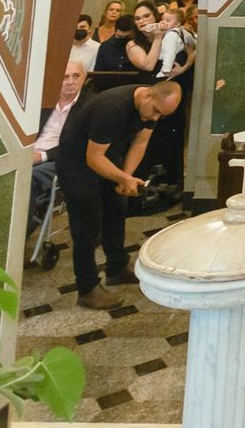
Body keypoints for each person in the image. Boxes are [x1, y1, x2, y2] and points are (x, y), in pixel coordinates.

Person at [57, 80, 182, 309]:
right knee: (87, 224)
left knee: (117, 209)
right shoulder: (111, 107)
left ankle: (116, 267)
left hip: (107, 157)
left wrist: (126, 176)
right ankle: (87, 288)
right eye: (155, 111)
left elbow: (140, 143)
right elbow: (93, 157)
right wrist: (123, 178)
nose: (155, 118)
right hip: (76, 162)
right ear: (147, 96)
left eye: (161, 116)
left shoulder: (151, 109)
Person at [29, 64, 85, 231]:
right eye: (65, 77)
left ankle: (18, 237)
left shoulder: (89, 105)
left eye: (76, 76)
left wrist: (41, 156)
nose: (71, 82)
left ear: (84, 78)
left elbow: (75, 145)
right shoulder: (44, 99)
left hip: (59, 158)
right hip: (28, 151)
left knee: (28, 177)